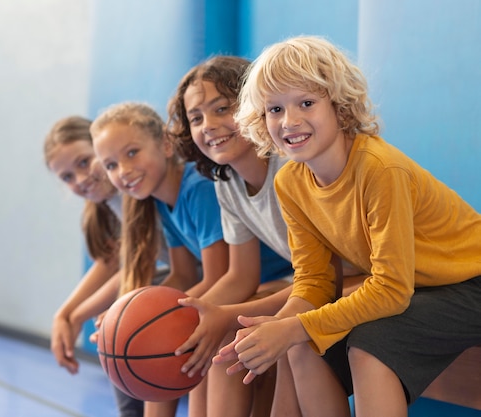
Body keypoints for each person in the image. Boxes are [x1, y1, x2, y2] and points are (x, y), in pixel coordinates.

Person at [213, 35, 481, 417]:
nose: (289, 121)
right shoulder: (290, 183)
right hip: (424, 292)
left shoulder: (379, 169)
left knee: (371, 342)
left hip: (471, 284)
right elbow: (315, 282)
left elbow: (390, 290)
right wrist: (274, 329)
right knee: (302, 344)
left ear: (339, 106)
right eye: (274, 109)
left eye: (306, 103)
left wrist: (293, 326)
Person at [167, 55, 366, 417]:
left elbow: (327, 278)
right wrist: (195, 316)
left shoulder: (292, 166)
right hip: (315, 285)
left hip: (359, 282)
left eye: (222, 109)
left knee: (283, 335)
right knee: (226, 335)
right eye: (196, 118)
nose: (209, 125)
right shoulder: (226, 183)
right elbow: (241, 276)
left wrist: (228, 315)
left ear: (256, 108)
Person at [90, 102, 230, 417]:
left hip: (266, 284)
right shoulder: (163, 200)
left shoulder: (198, 188)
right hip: (232, 289)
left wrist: (141, 321)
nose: (123, 171)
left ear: (166, 145)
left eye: (131, 153)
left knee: (162, 337)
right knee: (146, 336)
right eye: (110, 165)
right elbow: (182, 276)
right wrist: (123, 317)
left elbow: (219, 277)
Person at [44, 115, 147, 417]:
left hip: (200, 274)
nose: (79, 179)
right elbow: (112, 261)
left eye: (84, 162)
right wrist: (64, 315)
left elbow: (134, 264)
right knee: (122, 308)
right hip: (170, 273)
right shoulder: (105, 206)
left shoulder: (134, 189)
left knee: (124, 310)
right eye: (66, 177)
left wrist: (78, 315)